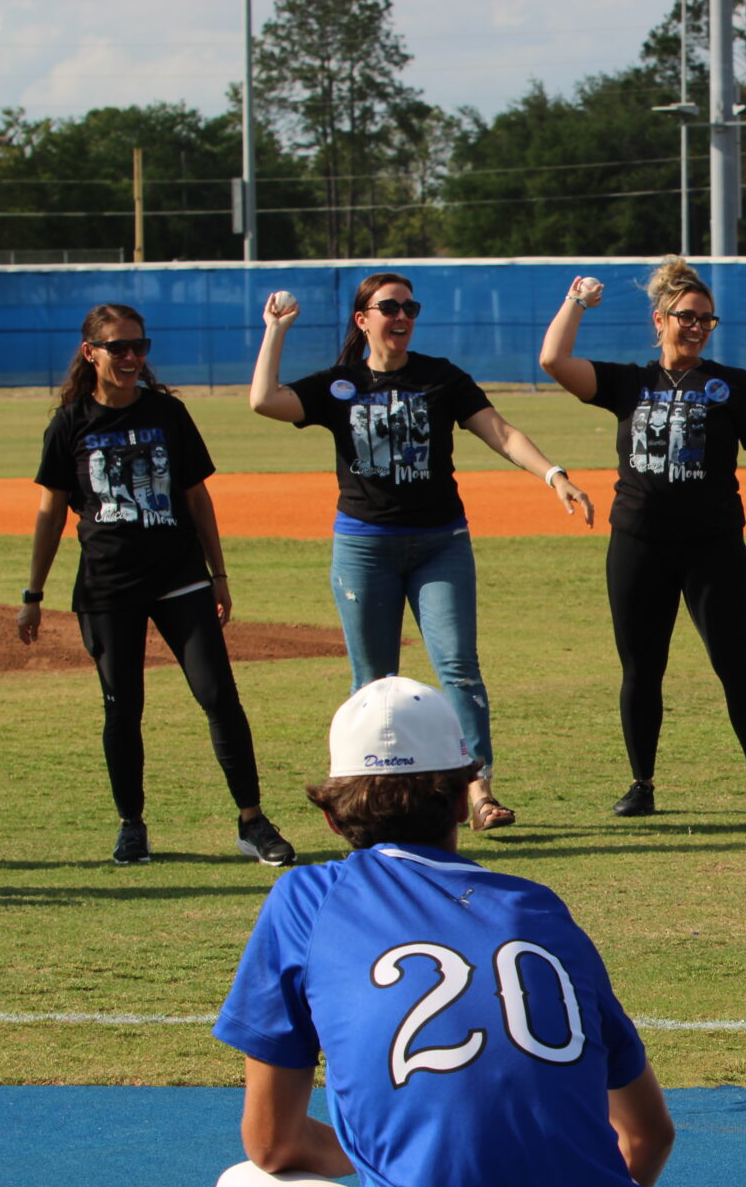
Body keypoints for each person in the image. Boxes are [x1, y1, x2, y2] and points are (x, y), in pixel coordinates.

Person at [202, 675, 671, 1187]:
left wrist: (403, 1162)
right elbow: (649, 1135)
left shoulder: (307, 898)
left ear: (332, 817)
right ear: (461, 797)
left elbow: (271, 1143)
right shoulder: (539, 907)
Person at [249, 273, 594, 833]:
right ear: (363, 319)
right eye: (390, 307)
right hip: (364, 547)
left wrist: (554, 474)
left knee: (458, 667)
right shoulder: (340, 384)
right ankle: (371, 795)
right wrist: (275, 331)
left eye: (410, 306)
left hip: (441, 543)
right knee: (373, 681)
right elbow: (265, 400)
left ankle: (478, 789)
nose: (403, 315)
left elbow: (501, 433)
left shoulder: (440, 377)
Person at [19, 303, 295, 868]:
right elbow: (50, 514)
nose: (130, 357)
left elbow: (197, 498)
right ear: (89, 351)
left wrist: (219, 574)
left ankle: (252, 821)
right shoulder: (70, 423)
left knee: (219, 696)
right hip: (107, 586)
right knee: (123, 708)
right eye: (117, 347)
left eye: (138, 346)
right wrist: (33, 595)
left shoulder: (168, 413)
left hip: (179, 578)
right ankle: (133, 826)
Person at [538, 260, 746, 826]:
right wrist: (576, 302)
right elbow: (553, 361)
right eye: (687, 317)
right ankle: (642, 783)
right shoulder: (629, 382)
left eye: (707, 320)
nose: (697, 327)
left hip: (713, 546)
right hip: (639, 544)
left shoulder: (730, 382)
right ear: (659, 319)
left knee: (738, 666)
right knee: (642, 668)